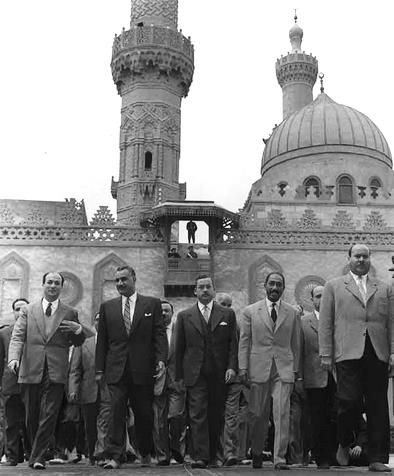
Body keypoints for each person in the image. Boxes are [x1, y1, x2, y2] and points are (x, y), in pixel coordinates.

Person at [319, 244, 394, 472]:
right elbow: (325, 322)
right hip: (347, 352)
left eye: (365, 256)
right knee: (348, 401)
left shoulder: (383, 288)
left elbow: (391, 322)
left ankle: (377, 458)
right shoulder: (333, 286)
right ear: (349, 258)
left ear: (370, 259)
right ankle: (344, 440)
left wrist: (392, 352)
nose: (361, 260)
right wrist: (326, 353)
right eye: (357, 256)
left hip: (377, 351)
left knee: (378, 406)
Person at [8, 272, 85, 470]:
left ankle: (38, 457)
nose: (52, 285)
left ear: (61, 287)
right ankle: (36, 453)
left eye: (57, 283)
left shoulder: (70, 312)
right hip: (30, 368)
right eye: (49, 282)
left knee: (49, 415)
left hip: (56, 371)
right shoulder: (28, 310)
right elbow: (17, 336)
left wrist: (78, 332)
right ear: (43, 285)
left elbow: (76, 342)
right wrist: (14, 358)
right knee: (31, 416)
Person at [95, 265, 168, 469]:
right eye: (117, 280)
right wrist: (99, 369)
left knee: (144, 413)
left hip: (143, 369)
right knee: (115, 413)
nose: (120, 283)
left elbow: (159, 334)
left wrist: (161, 359)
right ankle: (115, 456)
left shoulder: (151, 304)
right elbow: (102, 341)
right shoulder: (107, 307)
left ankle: (145, 451)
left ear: (134, 279)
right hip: (116, 370)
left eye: (124, 279)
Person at [238, 272, 301, 470]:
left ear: (283, 288)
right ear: (265, 286)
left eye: (279, 285)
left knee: (282, 413)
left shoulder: (292, 313)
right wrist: (243, 367)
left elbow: (296, 343)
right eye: (272, 284)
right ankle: (256, 451)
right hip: (258, 368)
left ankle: (279, 458)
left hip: (283, 368)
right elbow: (245, 341)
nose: (275, 288)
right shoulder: (250, 311)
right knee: (258, 415)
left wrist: (296, 369)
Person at [175, 275, 238, 468]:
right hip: (195, 373)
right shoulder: (185, 316)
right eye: (200, 287)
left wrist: (232, 367)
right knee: (197, 414)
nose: (204, 290)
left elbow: (232, 344)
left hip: (219, 373)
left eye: (207, 287)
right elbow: (180, 348)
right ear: (195, 291)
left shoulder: (227, 314)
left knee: (216, 414)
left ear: (213, 290)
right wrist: (179, 376)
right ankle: (201, 455)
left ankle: (213, 454)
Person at [301, 285, 336, 469]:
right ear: (312, 299)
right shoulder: (303, 322)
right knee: (316, 417)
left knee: (335, 415)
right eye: (318, 296)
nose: (322, 299)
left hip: (336, 376)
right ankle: (319, 455)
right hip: (313, 376)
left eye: (325, 296)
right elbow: (299, 351)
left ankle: (334, 453)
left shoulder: (337, 321)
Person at [153, 300, 186, 465]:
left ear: (172, 314)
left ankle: (175, 450)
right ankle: (162, 456)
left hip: (177, 381)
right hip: (157, 382)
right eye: (161, 311)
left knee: (175, 416)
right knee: (159, 421)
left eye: (167, 311)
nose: (164, 313)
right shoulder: (152, 332)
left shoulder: (180, 331)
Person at [68, 312, 102, 465]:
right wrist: (73, 389)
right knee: (90, 424)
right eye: (97, 319)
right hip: (88, 389)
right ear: (93, 323)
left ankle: (110, 453)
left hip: (110, 389)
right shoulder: (83, 343)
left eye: (103, 320)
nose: (100, 322)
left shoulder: (116, 342)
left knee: (111, 422)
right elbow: (75, 369)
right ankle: (92, 454)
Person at [0, 298, 30, 466]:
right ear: (13, 312)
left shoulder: (35, 331)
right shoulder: (4, 333)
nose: (20, 312)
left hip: (31, 381)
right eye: (17, 309)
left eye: (23, 309)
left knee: (30, 421)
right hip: (10, 383)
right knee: (11, 422)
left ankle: (32, 454)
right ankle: (12, 456)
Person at [216, 292, 242, 466]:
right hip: (213, 378)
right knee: (215, 416)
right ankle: (217, 454)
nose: (226, 308)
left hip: (233, 378)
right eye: (222, 304)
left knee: (231, 416)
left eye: (229, 305)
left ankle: (229, 453)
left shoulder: (236, 326)